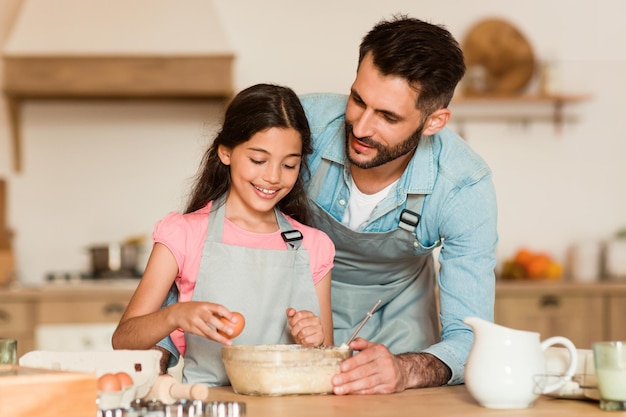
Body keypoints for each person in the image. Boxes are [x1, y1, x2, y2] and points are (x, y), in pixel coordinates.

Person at [158, 14, 497, 394]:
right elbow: (204, 236)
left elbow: (471, 336)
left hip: (400, 327)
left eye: (387, 116)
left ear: (434, 122)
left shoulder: (463, 186)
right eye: (358, 100)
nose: (361, 127)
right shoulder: (306, 126)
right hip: (295, 322)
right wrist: (163, 349)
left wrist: (406, 370)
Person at [112, 83, 335, 386]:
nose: (272, 176)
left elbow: (327, 358)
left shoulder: (313, 246)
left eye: (289, 165)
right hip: (209, 406)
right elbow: (124, 339)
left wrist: (315, 340)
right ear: (226, 152)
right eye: (258, 160)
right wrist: (175, 315)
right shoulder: (184, 234)